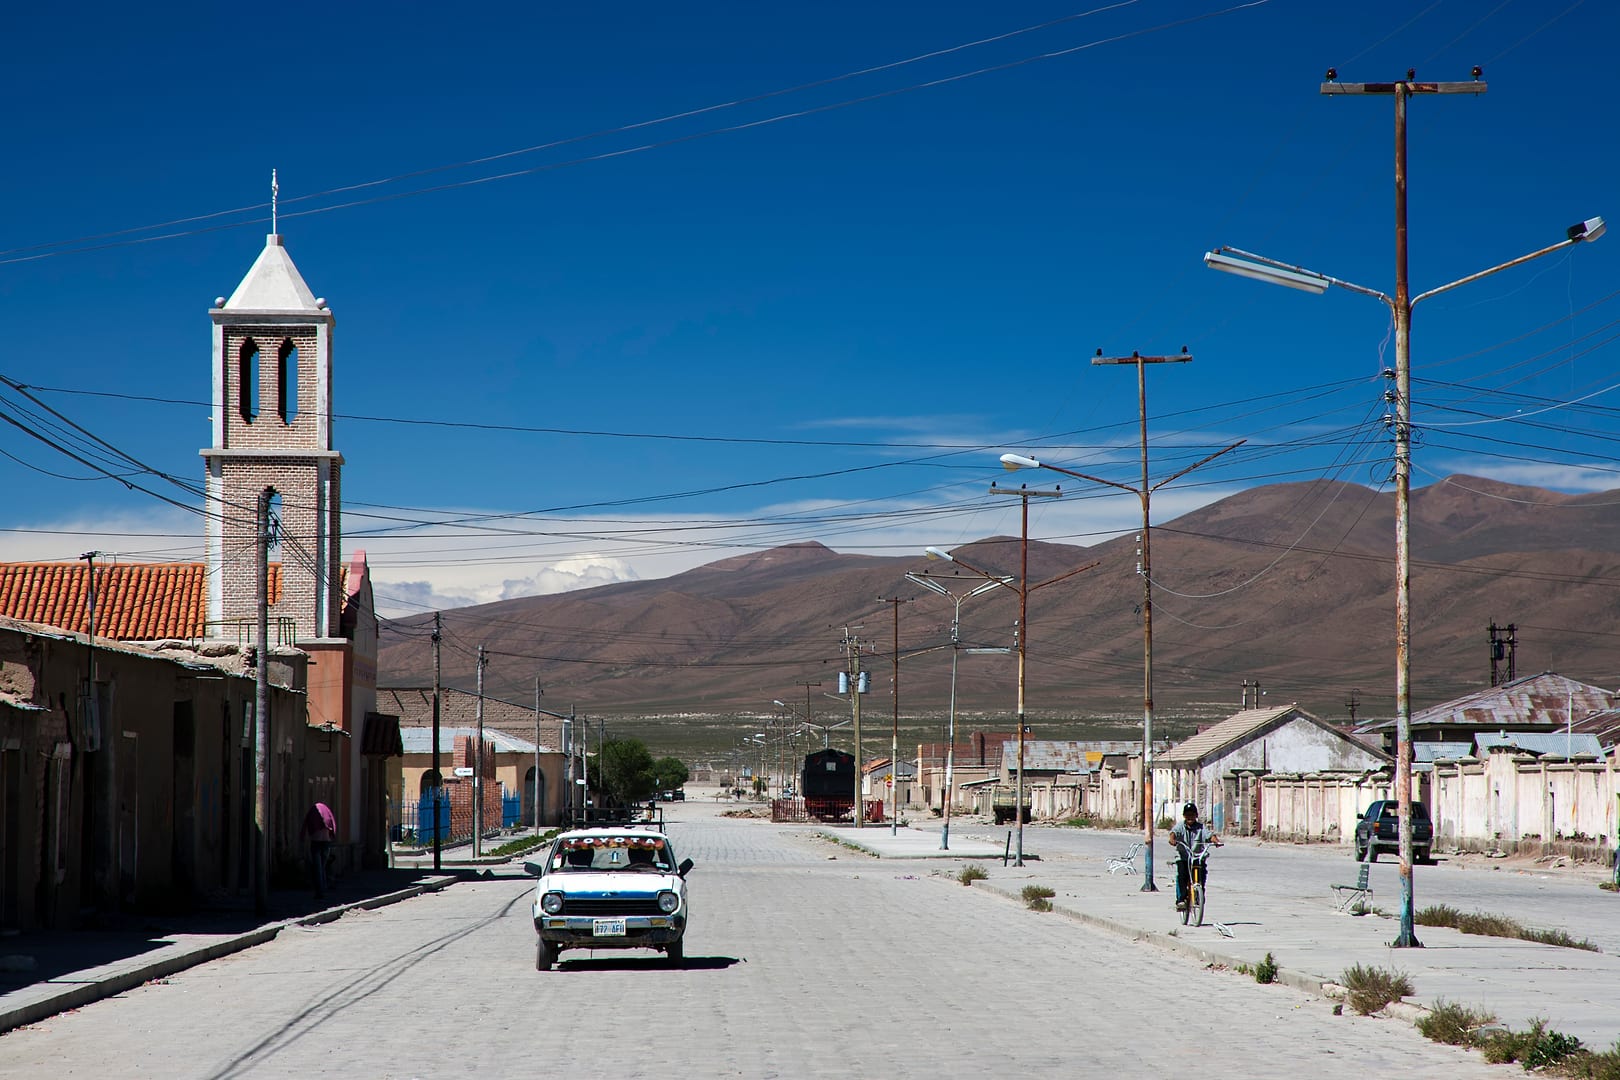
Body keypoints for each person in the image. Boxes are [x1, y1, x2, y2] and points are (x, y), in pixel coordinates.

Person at [1169, 801, 1221, 912]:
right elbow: (1173, 833)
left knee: (1202, 876)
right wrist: (1172, 840)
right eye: (1188, 815)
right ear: (1184, 816)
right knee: (1182, 876)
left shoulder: (1201, 827)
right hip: (1183, 857)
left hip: (1197, 857)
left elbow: (1209, 835)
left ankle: (1199, 896)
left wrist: (1216, 841)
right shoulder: (1180, 826)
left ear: (1196, 815)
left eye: (1192, 815)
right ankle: (1181, 900)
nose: (1190, 817)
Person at [303, 801, 336, 900]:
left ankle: (320, 891)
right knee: (322, 867)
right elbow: (333, 825)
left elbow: (306, 824)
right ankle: (323, 888)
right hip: (326, 843)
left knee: (318, 868)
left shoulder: (313, 814)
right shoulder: (327, 816)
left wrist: (303, 836)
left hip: (316, 843)